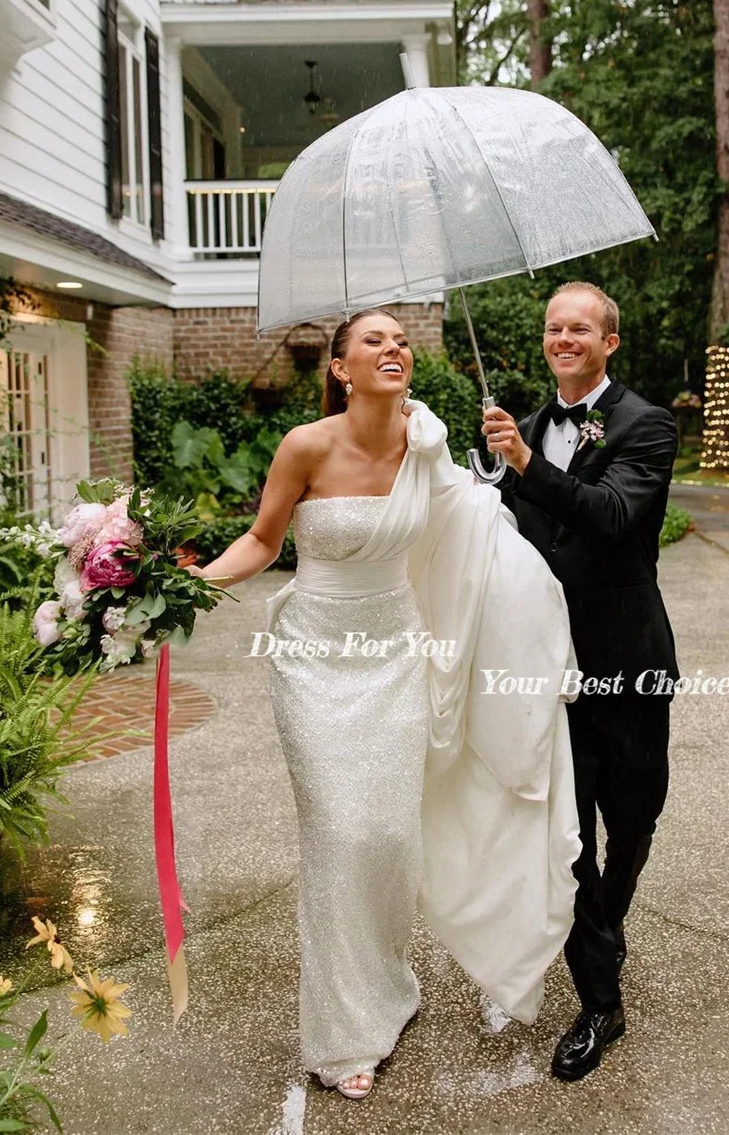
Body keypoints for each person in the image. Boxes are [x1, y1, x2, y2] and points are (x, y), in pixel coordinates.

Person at [188, 308, 581, 1100]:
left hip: (397, 658)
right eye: (374, 340)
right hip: (311, 660)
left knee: (390, 836)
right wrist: (182, 589)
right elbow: (264, 541)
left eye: (402, 340)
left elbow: (469, 523)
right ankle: (342, 1035)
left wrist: (506, 461)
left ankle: (388, 989)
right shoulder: (305, 445)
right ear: (340, 368)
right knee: (341, 833)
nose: (394, 348)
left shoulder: (427, 442)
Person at [482, 280, 679, 1083]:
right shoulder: (519, 427)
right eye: (553, 328)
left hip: (628, 662)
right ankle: (601, 1000)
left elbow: (609, 514)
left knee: (631, 821)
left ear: (609, 343)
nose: (563, 339)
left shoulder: (647, 423)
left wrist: (527, 466)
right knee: (563, 838)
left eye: (579, 329)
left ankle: (604, 927)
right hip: (546, 671)